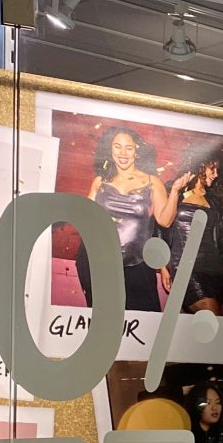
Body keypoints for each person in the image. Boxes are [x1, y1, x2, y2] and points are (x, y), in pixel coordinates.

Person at [81, 127, 178, 314]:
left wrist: (174, 192)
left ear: (136, 151)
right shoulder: (100, 182)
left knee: (143, 321)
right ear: (109, 149)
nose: (123, 153)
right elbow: (86, 218)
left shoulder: (152, 182)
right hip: (101, 263)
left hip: (138, 264)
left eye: (129, 148)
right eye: (117, 146)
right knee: (105, 320)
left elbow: (165, 221)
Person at [161, 145, 223, 316]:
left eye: (217, 170)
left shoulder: (215, 201)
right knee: (211, 314)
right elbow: (160, 227)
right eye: (213, 168)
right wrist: (163, 266)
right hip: (185, 268)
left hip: (213, 270)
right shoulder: (175, 190)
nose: (216, 174)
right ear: (200, 164)